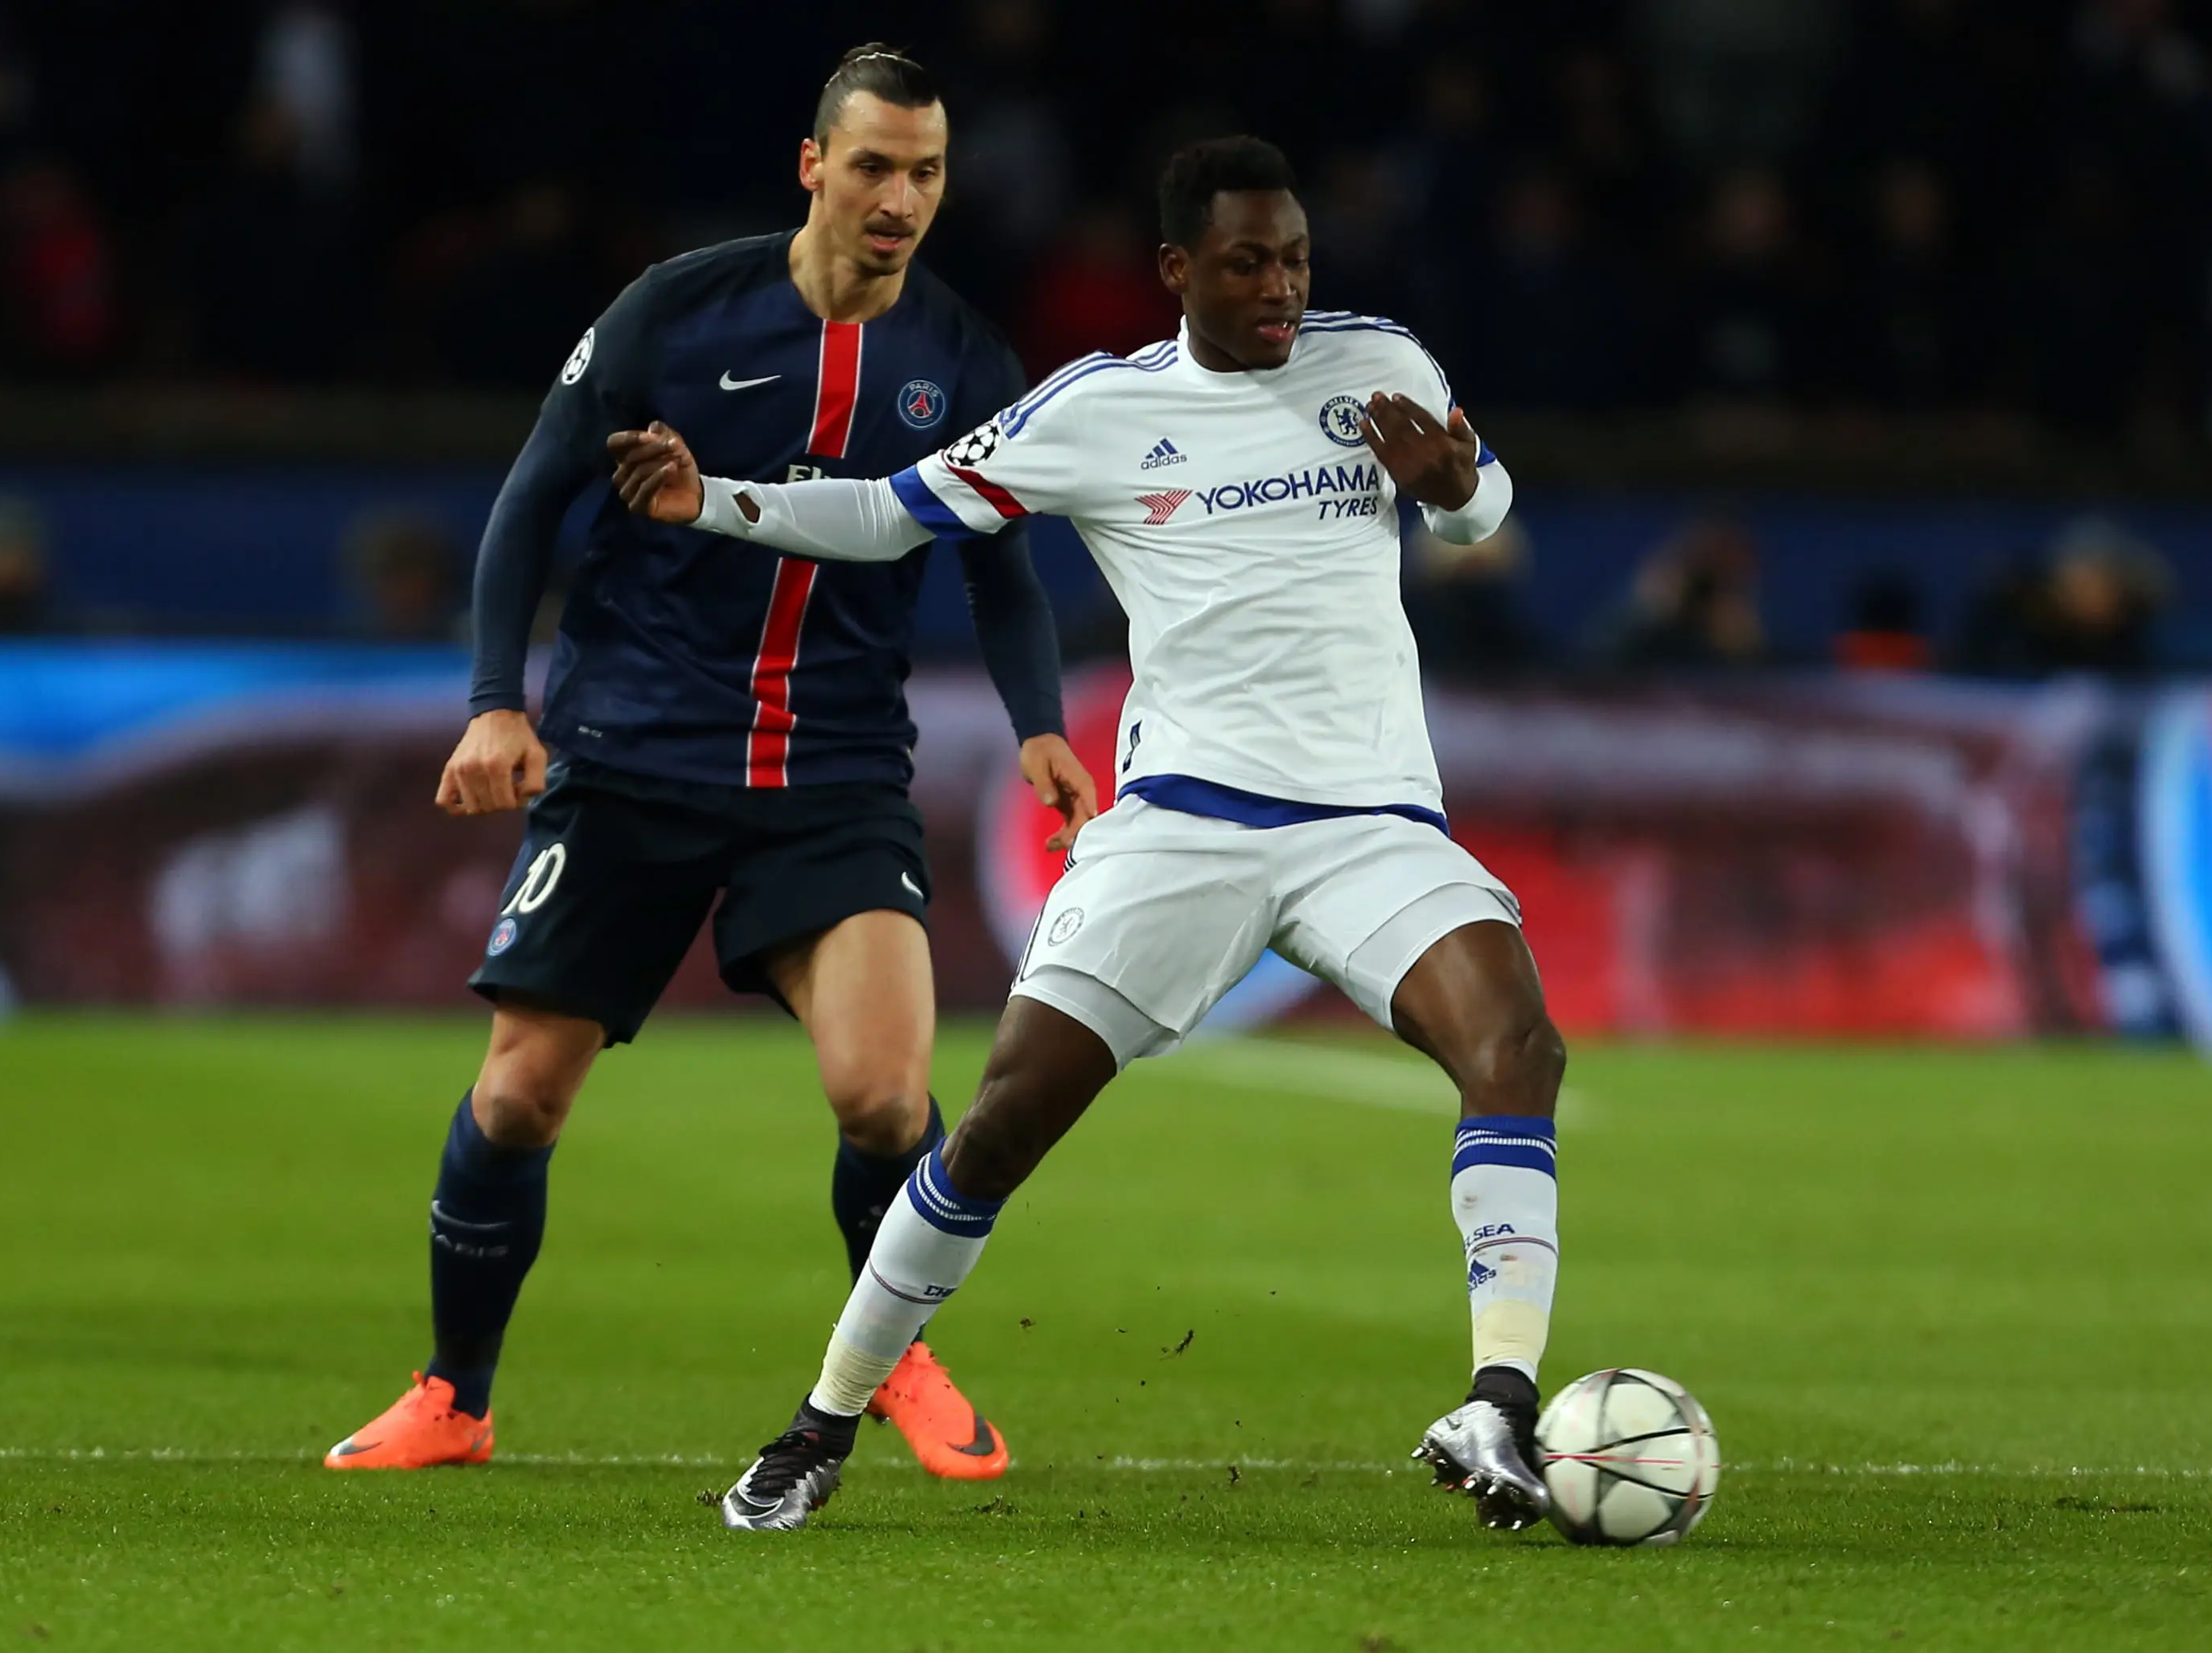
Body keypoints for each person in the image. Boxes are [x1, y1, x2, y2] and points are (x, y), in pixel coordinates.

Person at [611, 134, 1568, 1534]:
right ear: (1178, 269)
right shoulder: (1098, 411)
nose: (1281, 286)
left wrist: (1456, 484)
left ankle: (1498, 1402)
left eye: (1295, 257)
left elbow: (1483, 518)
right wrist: (720, 502)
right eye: (1247, 261)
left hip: (1372, 820)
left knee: (1516, 1044)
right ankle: (818, 1425)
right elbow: (889, 515)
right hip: (1181, 824)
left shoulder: (1381, 362)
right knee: (996, 1128)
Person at [324, 44, 1096, 1482]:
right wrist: (498, 700)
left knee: (887, 1096)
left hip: (835, 769)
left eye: (925, 173)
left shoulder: (966, 363)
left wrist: (1039, 717)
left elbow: (1001, 571)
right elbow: (528, 505)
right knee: (515, 1100)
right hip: (633, 751)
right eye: (872, 165)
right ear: (812, 164)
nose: (899, 197)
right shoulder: (674, 314)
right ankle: (456, 1393)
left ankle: (893, 1352)